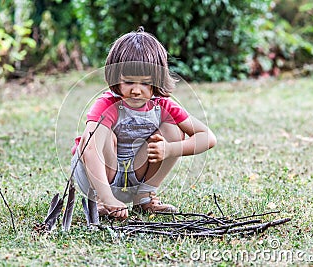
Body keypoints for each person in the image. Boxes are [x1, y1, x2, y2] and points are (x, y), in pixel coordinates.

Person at [71, 26, 216, 219]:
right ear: (116, 77)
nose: (136, 91)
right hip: (97, 176)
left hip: (134, 173)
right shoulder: (108, 104)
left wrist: (170, 149)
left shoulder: (162, 105)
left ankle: (144, 197)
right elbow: (88, 149)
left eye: (145, 83)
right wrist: (107, 197)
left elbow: (208, 137)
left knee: (172, 129)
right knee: (102, 133)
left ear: (157, 80)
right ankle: (100, 201)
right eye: (129, 82)